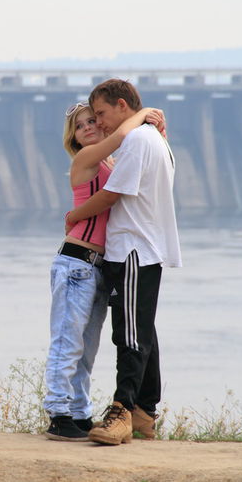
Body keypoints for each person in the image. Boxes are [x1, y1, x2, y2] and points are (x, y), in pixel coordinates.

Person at [65, 78, 181, 446]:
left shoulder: (138, 140)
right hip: (144, 248)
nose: (98, 123)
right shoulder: (157, 140)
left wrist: (74, 216)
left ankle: (122, 410)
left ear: (121, 105)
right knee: (143, 330)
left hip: (132, 249)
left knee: (129, 336)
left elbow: (114, 194)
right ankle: (145, 411)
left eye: (101, 114)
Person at [44, 101, 165, 441]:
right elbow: (124, 133)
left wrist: (156, 129)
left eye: (92, 121)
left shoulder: (111, 161)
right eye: (80, 126)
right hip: (76, 263)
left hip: (99, 268)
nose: (89, 127)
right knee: (67, 343)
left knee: (87, 349)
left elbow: (138, 150)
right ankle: (57, 412)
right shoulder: (85, 160)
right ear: (75, 139)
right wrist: (143, 114)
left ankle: (79, 414)